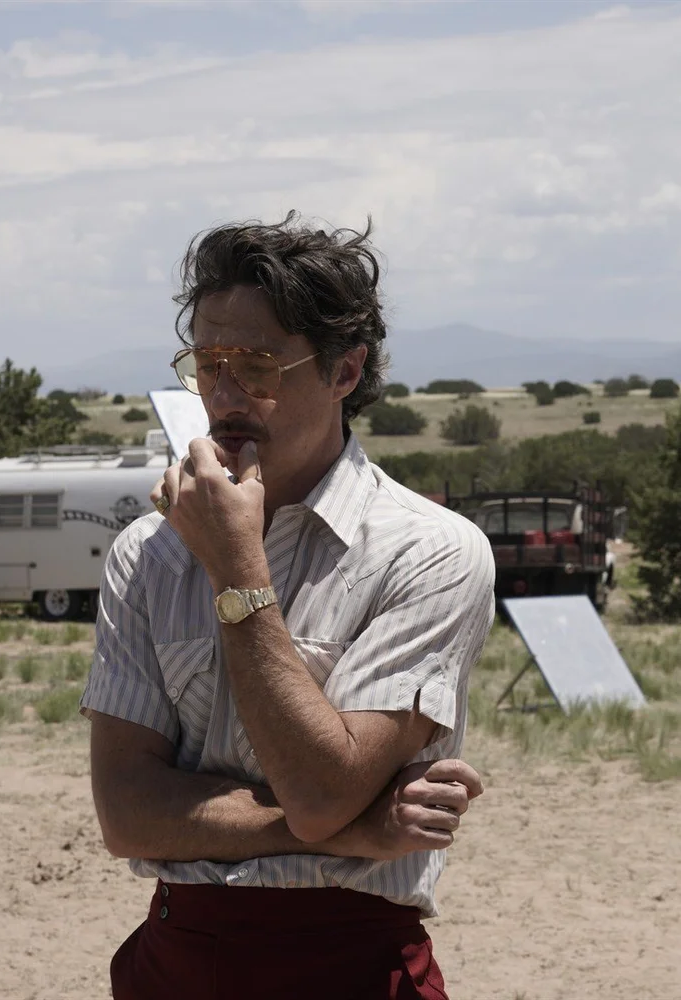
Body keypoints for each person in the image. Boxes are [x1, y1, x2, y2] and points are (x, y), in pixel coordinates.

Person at [80, 213, 496, 1000]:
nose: (224, 396)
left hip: (351, 965)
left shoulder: (431, 552)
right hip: (177, 961)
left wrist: (236, 566)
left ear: (345, 372)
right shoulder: (148, 551)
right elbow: (127, 815)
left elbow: (320, 792)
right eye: (208, 364)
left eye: (258, 366)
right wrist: (357, 830)